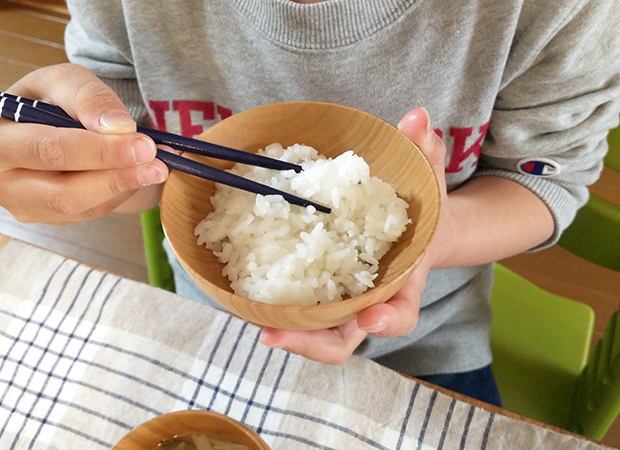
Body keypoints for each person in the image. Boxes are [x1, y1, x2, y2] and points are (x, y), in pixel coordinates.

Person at [1, 0, 619, 407]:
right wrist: (79, 172)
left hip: (429, 337)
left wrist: (433, 237)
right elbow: (144, 168)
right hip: (217, 320)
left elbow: (546, 181)